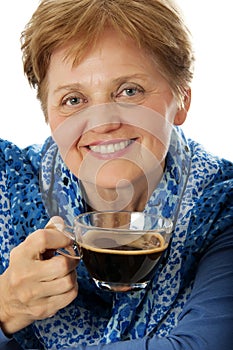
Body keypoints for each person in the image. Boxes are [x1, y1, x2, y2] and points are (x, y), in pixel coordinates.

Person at [0, 0, 232, 349]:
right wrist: (5, 306)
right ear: (47, 113)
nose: (104, 123)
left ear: (182, 100)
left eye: (129, 91)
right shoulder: (10, 185)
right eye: (73, 100)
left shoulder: (221, 206)